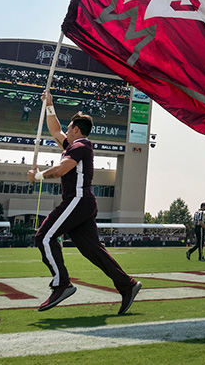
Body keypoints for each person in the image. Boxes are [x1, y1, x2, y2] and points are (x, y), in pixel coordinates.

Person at [27, 89, 141, 314]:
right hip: (84, 204)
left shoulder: (80, 146)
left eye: (69, 127)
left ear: (76, 130)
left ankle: (62, 284)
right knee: (92, 250)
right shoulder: (72, 145)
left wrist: (38, 176)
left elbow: (62, 169)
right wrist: (49, 105)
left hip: (77, 201)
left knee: (45, 236)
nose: (65, 131)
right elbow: (54, 129)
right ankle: (127, 285)